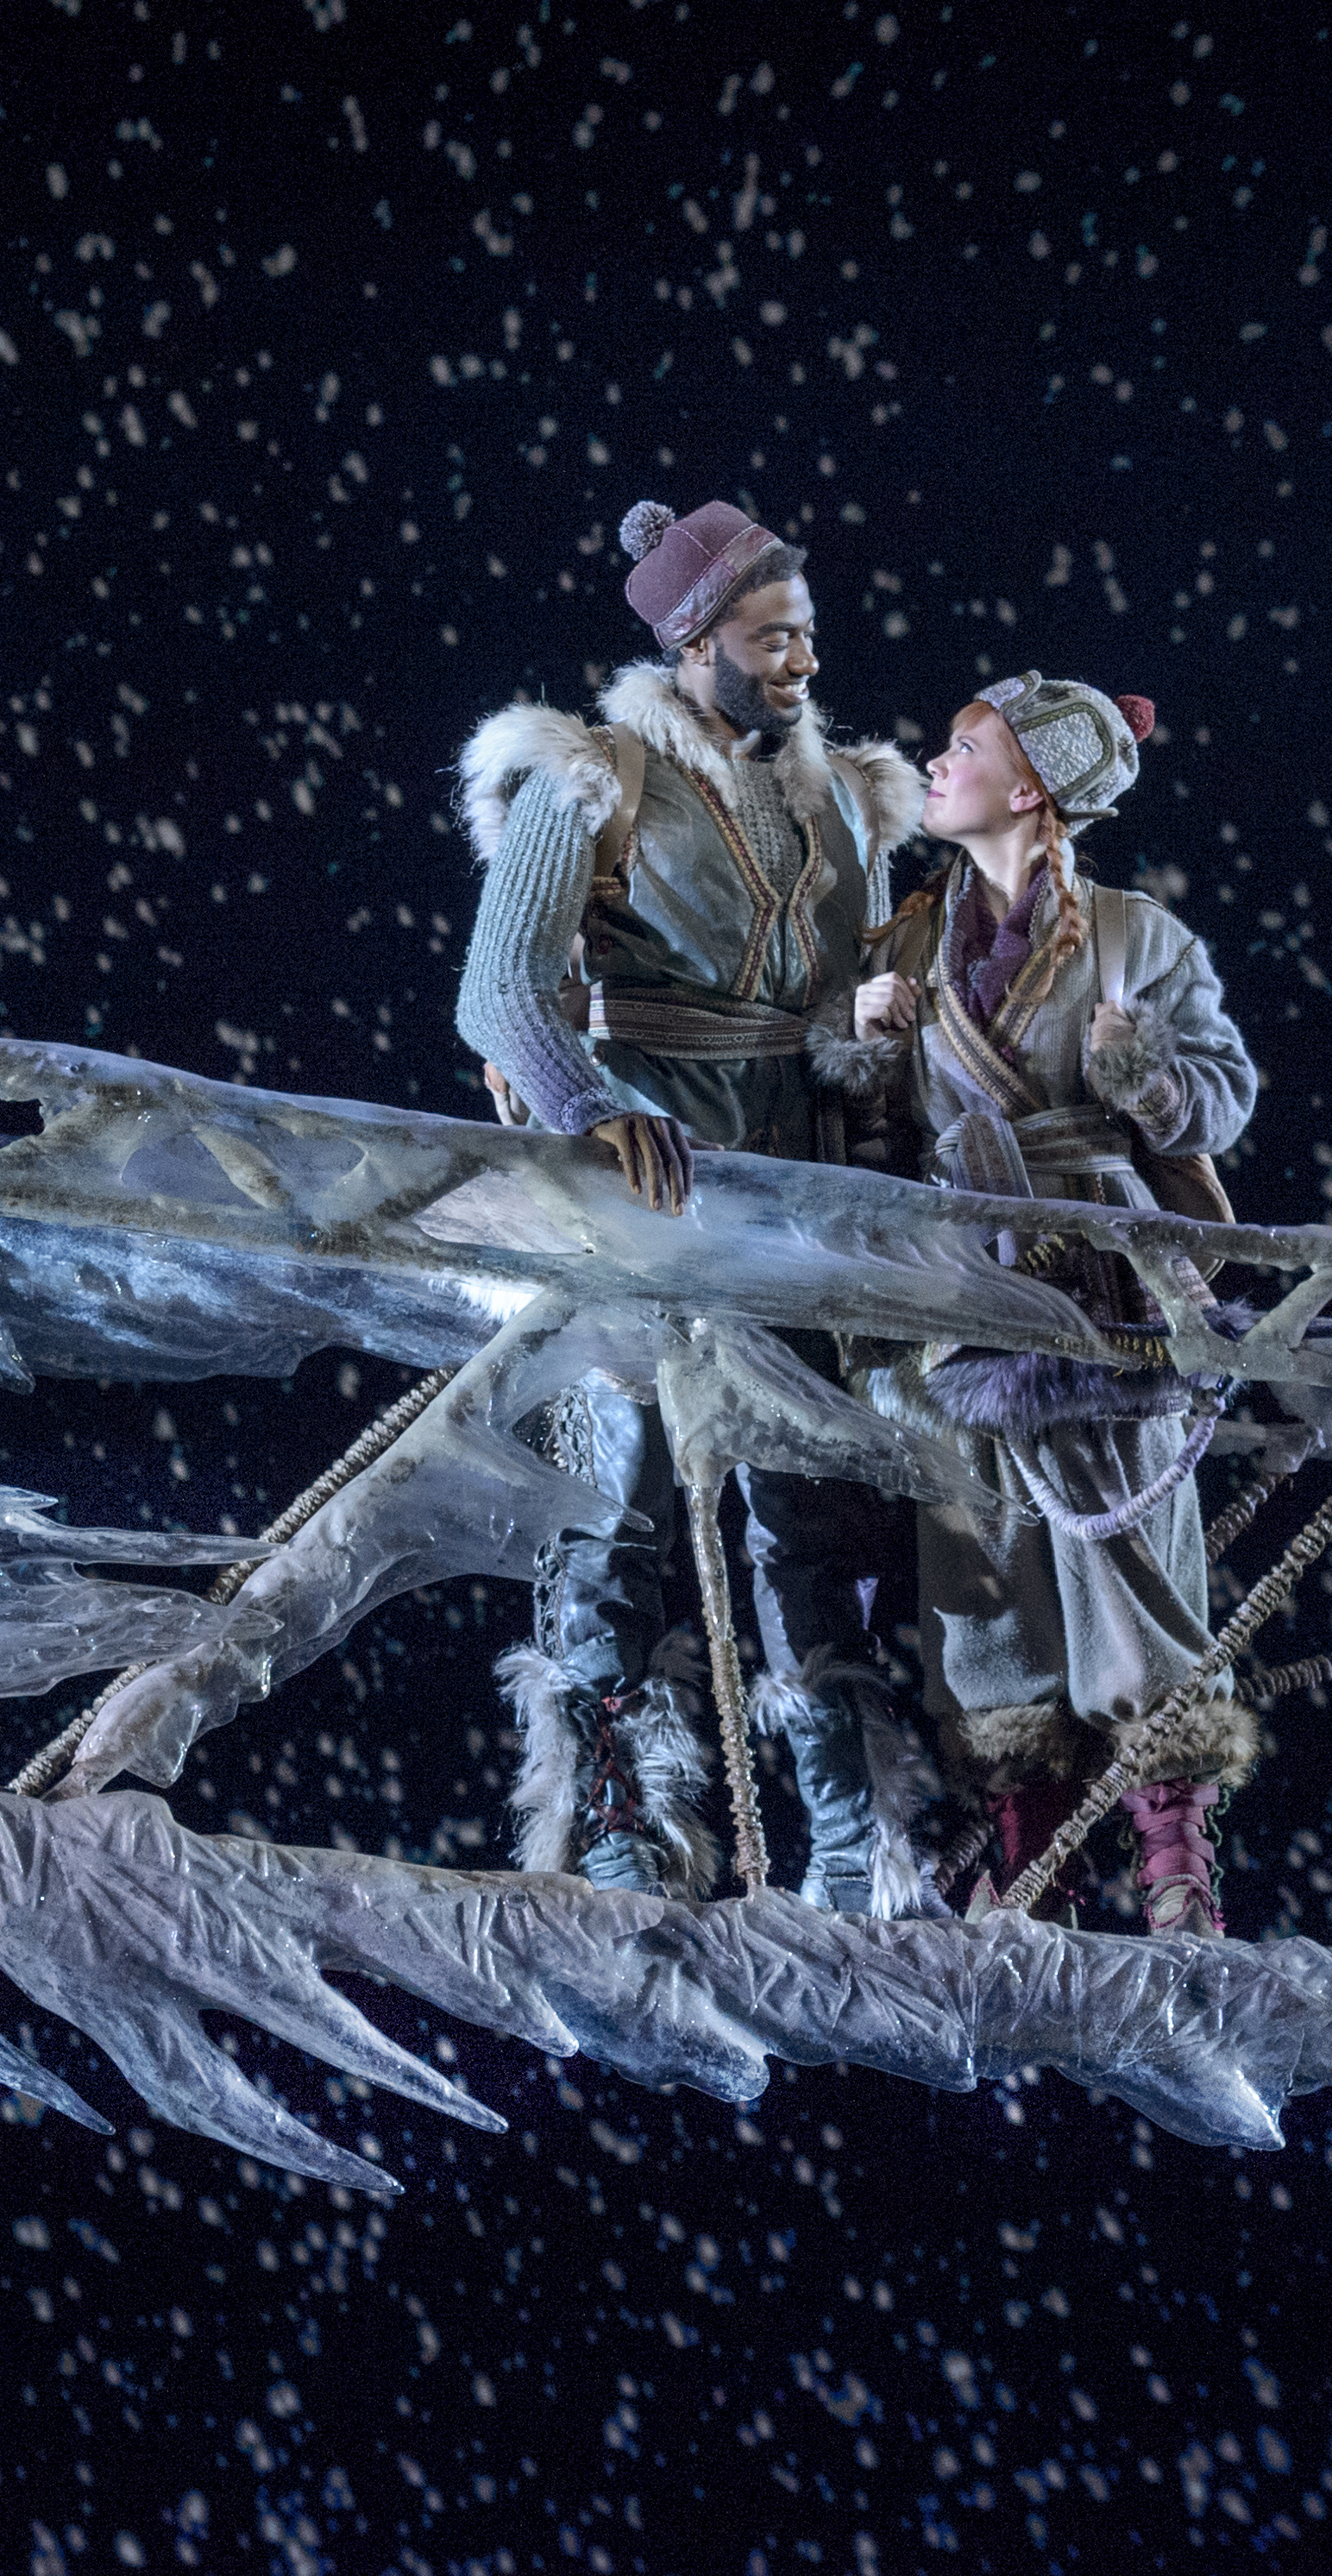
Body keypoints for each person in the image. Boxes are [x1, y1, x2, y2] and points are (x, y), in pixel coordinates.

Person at [452, 498, 922, 1909]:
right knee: (621, 1510)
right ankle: (614, 1823)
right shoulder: (594, 779)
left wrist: (875, 1025)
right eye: (772, 638)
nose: (798, 663)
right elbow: (497, 986)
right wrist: (591, 1103)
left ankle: (854, 1839)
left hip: (792, 1186)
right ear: (695, 639)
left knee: (808, 1514)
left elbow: (830, 1003)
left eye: (807, 638)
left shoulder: (841, 790)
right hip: (640, 1195)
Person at [848, 670, 1262, 1933]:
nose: (935, 761)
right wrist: (866, 1046)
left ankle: (1174, 1853)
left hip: (1103, 1267)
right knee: (983, 1568)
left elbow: (1226, 1093)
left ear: (1027, 787)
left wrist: (1146, 1078)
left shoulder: (1137, 936)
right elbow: (870, 1124)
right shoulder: (911, 934)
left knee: (1127, 1549)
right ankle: (1034, 1855)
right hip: (960, 1270)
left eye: (961, 745)